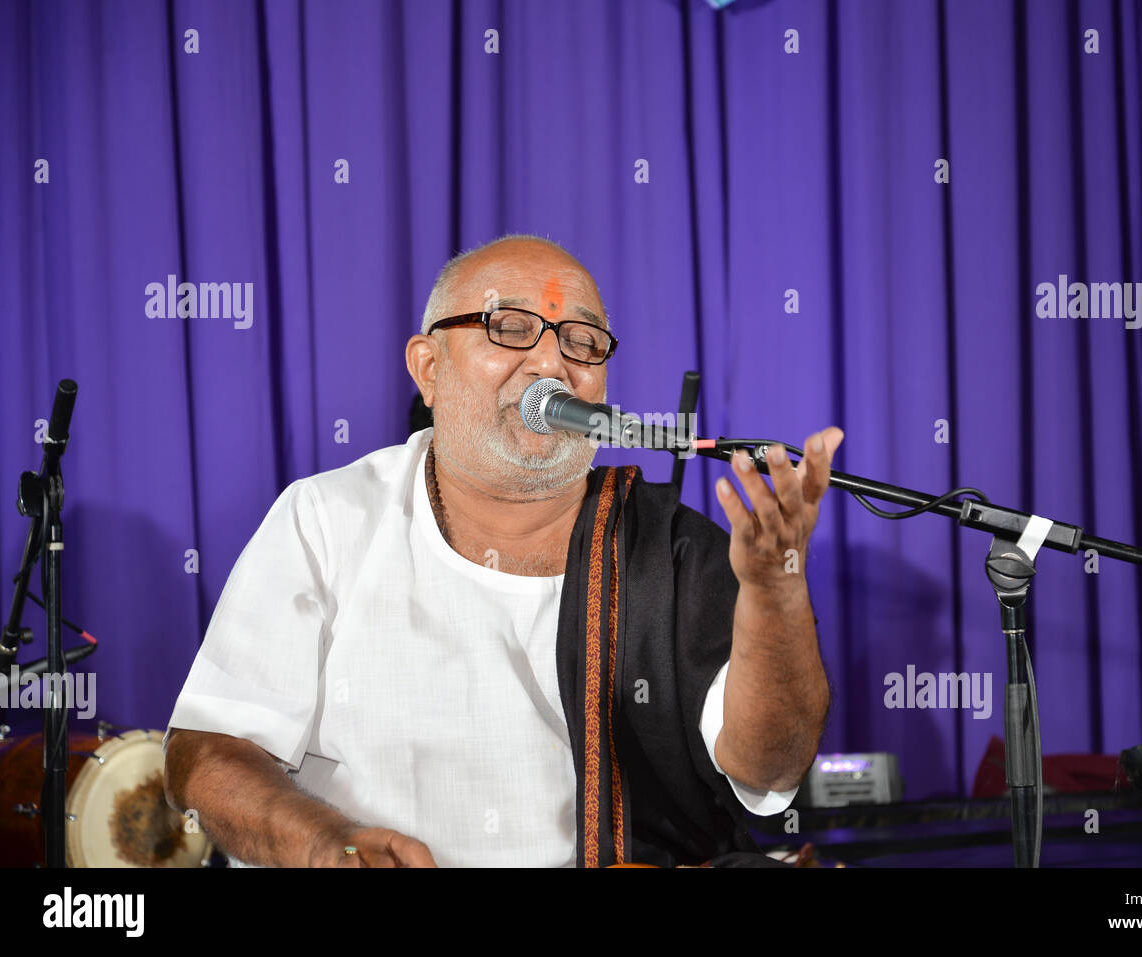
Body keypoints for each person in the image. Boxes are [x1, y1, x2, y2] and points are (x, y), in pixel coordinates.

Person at [163, 234, 843, 867]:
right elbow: (208, 754)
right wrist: (326, 845)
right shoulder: (326, 520)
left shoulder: (674, 549)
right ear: (429, 368)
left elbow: (771, 767)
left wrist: (777, 591)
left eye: (581, 341)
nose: (551, 362)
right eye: (509, 327)